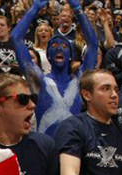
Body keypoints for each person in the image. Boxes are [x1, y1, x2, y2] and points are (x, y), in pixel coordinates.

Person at [13, 0, 98, 138]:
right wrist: (34, 8)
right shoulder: (39, 80)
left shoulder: (80, 80)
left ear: (70, 57)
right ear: (48, 56)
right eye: (54, 46)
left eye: (64, 46)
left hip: (73, 151)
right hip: (44, 152)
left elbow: (93, 45)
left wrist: (78, 10)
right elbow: (16, 38)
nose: (59, 47)